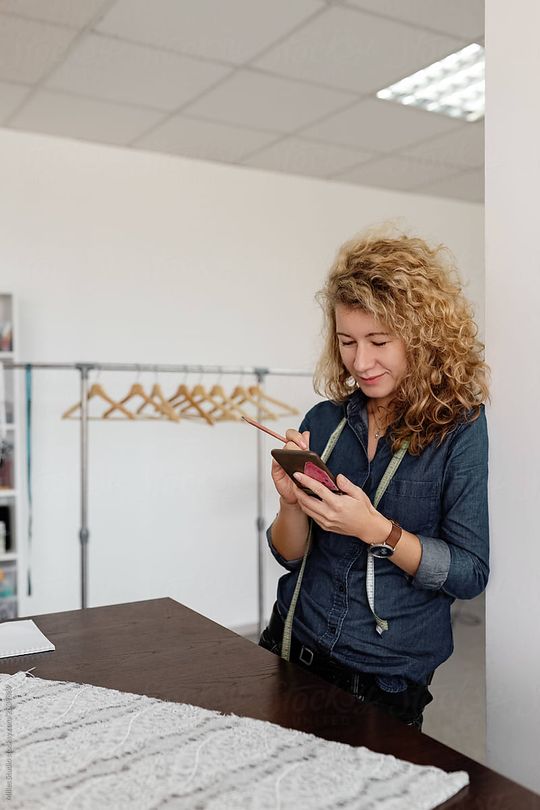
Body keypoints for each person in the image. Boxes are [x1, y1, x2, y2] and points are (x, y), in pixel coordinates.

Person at [259, 226, 489, 730]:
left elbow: (470, 572)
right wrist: (290, 504)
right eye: (347, 342)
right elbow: (288, 554)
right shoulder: (324, 420)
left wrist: (376, 531)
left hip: (384, 681)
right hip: (293, 645)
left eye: (378, 341)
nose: (360, 362)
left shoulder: (460, 428)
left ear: (422, 336)